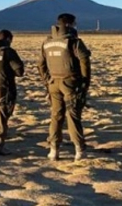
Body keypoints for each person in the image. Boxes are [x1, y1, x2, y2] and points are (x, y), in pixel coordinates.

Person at [37, 13, 91, 161]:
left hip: (53, 83)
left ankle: (53, 150)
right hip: (71, 83)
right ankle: (79, 150)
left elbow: (40, 64)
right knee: (73, 116)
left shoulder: (47, 42)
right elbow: (84, 61)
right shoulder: (74, 42)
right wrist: (85, 82)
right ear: (69, 24)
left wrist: (47, 80)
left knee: (56, 116)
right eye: (75, 23)